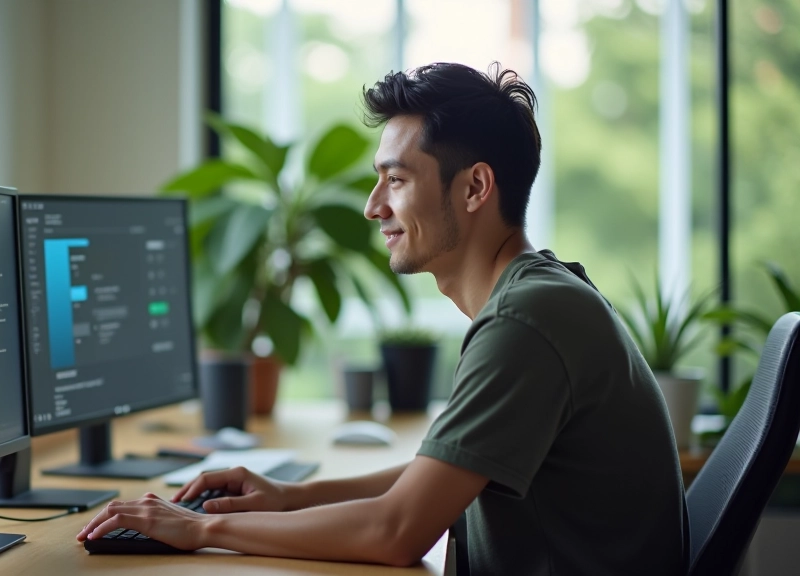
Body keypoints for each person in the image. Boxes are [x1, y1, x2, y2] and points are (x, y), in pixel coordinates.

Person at [77, 62, 687, 574]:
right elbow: (442, 477)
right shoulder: (540, 295)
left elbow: (396, 531)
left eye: (396, 180)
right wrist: (288, 497)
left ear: (475, 188)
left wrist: (200, 532)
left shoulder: (526, 321)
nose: (373, 208)